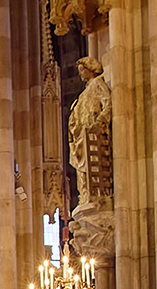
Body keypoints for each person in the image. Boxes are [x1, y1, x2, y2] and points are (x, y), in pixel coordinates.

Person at [68, 56, 111, 211]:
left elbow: (107, 104)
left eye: (82, 71)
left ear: (91, 70)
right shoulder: (84, 92)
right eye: (79, 72)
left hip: (92, 135)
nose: (81, 75)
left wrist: (99, 122)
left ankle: (96, 196)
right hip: (81, 136)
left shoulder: (97, 84)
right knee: (82, 169)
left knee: (93, 166)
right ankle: (85, 195)